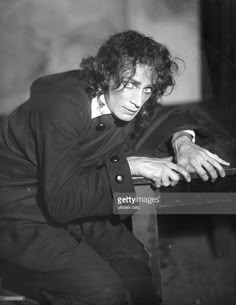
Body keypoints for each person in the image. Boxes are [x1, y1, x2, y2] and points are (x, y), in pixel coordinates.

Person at [0, 30, 229, 305]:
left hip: (81, 208)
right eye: (131, 84)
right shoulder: (62, 105)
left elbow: (170, 115)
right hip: (22, 215)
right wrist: (132, 165)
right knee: (104, 293)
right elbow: (61, 203)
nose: (138, 100)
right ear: (107, 74)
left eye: (147, 89)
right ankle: (14, 274)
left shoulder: (128, 100)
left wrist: (183, 142)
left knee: (136, 275)